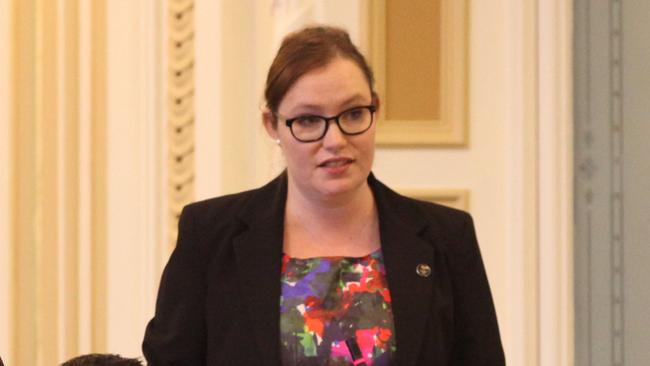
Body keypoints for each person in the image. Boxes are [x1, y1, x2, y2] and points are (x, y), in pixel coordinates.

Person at [143, 25, 505, 365]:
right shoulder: (209, 235)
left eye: (353, 113)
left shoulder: (446, 236)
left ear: (375, 109)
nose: (335, 140)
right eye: (308, 120)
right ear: (272, 125)